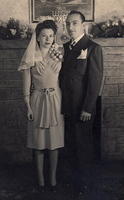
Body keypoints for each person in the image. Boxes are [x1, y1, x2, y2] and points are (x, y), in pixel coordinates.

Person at [59, 10, 103, 196]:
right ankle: (73, 184)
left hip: (82, 108)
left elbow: (95, 82)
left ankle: (85, 186)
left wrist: (87, 108)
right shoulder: (65, 47)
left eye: (74, 23)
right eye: (68, 23)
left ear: (83, 25)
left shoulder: (93, 47)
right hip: (67, 107)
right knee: (70, 147)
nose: (70, 27)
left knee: (83, 148)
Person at [18, 20, 64, 191]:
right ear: (37, 37)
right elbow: (26, 85)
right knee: (38, 143)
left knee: (54, 142)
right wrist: (28, 106)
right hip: (37, 101)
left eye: (51, 36)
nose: (48, 39)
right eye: (44, 35)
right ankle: (40, 180)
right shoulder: (31, 56)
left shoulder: (59, 52)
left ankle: (52, 179)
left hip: (56, 100)